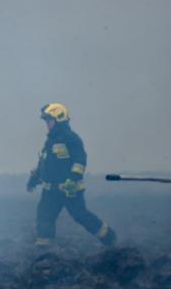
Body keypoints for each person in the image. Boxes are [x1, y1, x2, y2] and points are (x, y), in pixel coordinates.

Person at [27, 103, 116, 248]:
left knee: (80, 215)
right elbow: (44, 164)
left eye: (49, 121)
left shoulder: (71, 138)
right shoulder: (50, 142)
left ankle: (109, 237)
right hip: (51, 191)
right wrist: (34, 180)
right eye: (46, 121)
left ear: (59, 119)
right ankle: (44, 251)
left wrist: (72, 179)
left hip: (70, 190)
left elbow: (80, 160)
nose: (47, 124)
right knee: (44, 217)